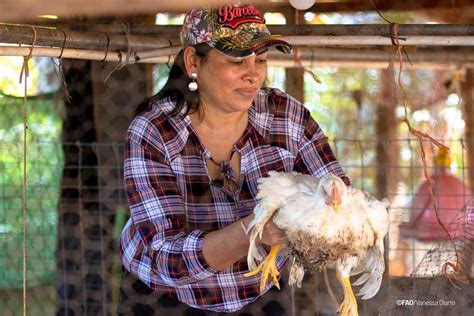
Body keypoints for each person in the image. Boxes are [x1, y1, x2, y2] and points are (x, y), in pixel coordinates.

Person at [117, 2, 349, 315]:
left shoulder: (286, 116)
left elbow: (335, 191)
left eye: (262, 60)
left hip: (260, 291)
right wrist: (254, 229)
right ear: (193, 61)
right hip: (168, 297)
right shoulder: (155, 131)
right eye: (237, 61)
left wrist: (332, 210)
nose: (253, 75)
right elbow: (166, 256)